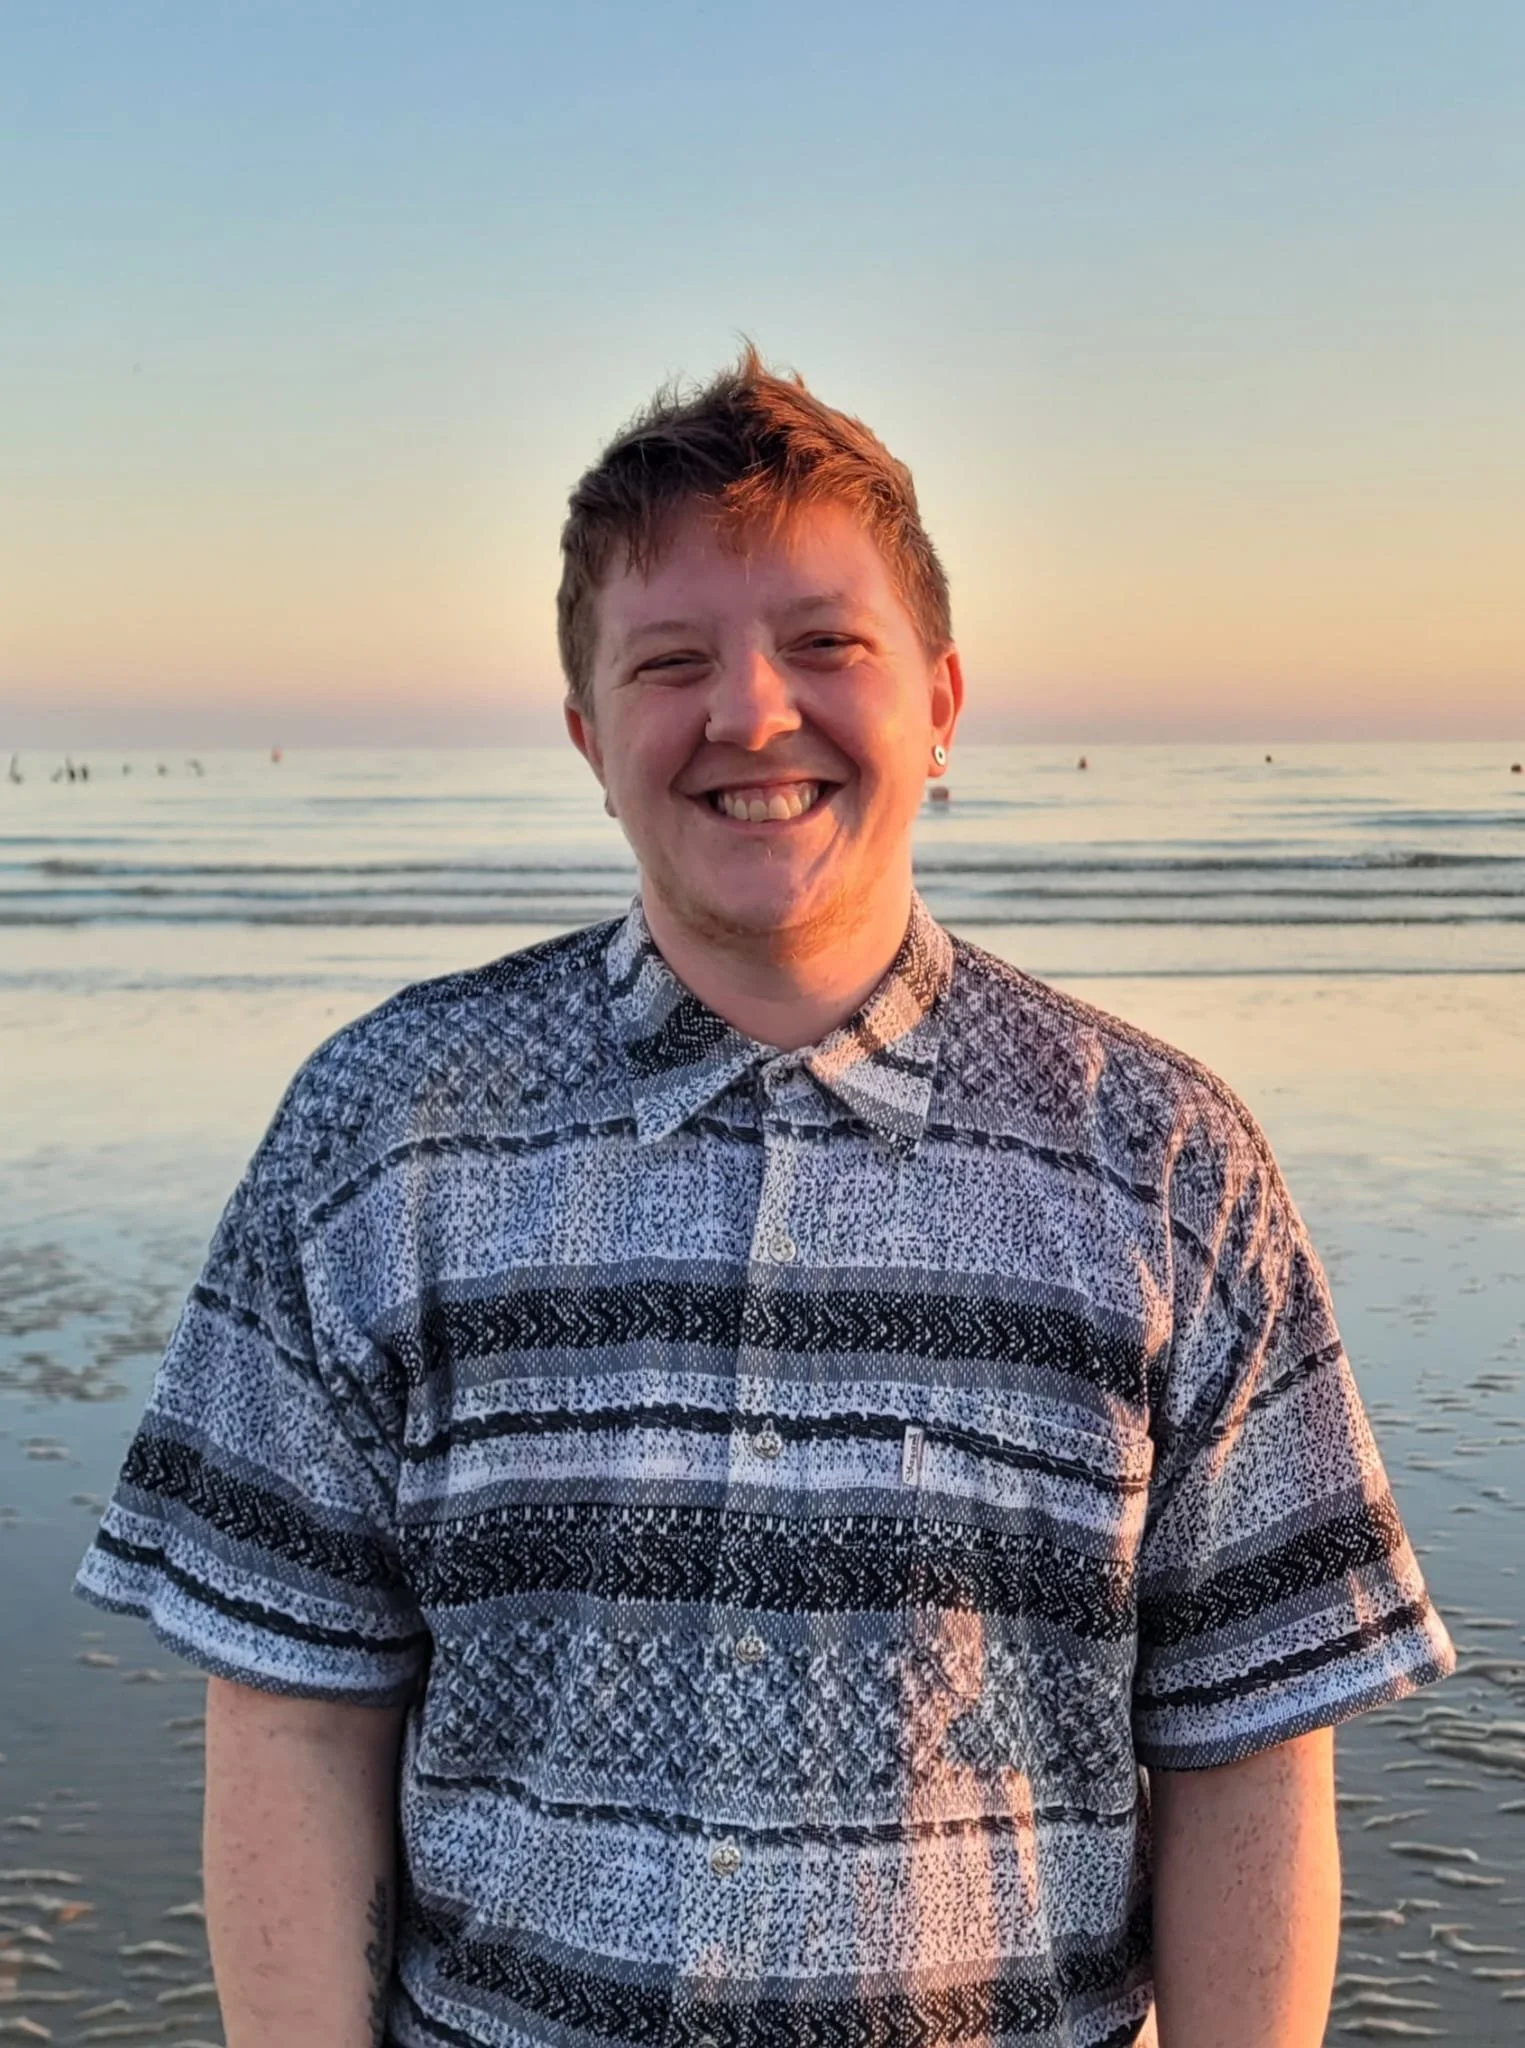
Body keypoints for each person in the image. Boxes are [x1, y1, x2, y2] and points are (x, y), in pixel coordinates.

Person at [76, 345, 1455, 2048]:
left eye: (824, 643)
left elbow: (1249, 1754)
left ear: (940, 700)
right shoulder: (379, 1141)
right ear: (589, 734)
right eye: (672, 662)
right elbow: (291, 1723)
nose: (751, 712)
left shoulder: (1168, 1170)